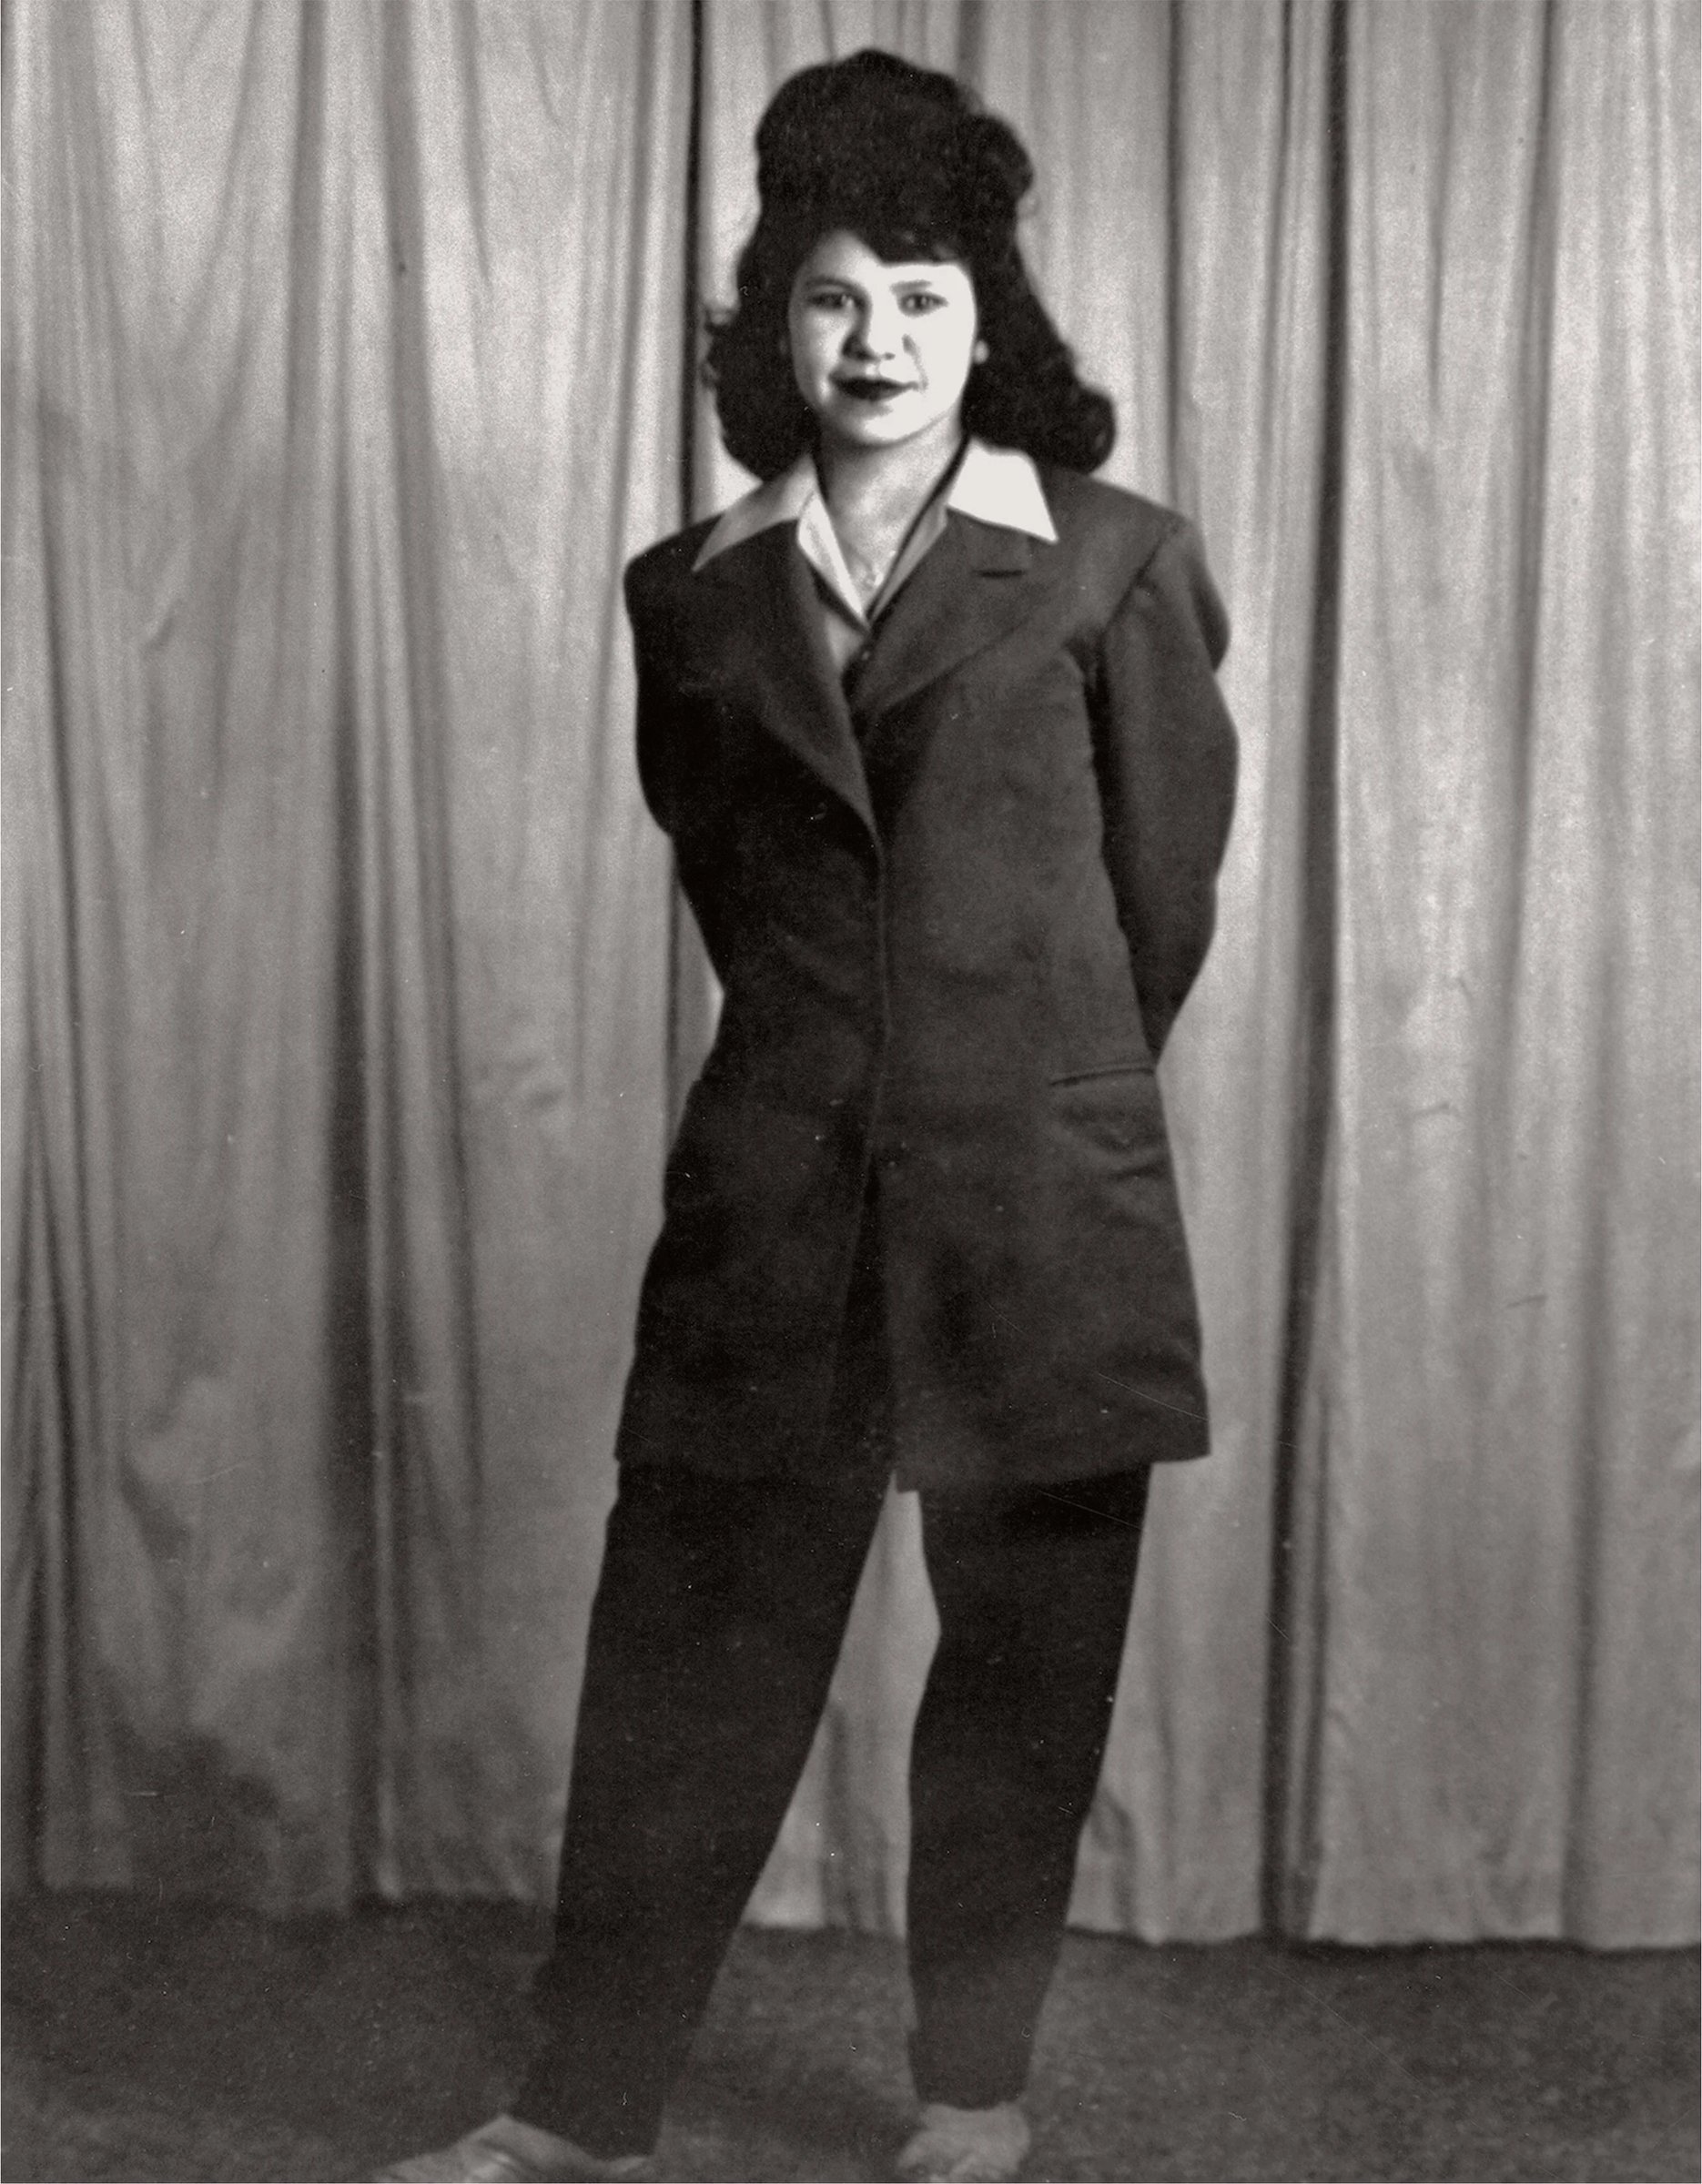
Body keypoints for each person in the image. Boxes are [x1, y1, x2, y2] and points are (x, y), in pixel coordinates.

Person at [380, 46, 1237, 2184]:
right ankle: (578, 2113)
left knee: (1021, 1672)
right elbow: (732, 881)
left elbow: (1158, 906)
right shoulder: (689, 588)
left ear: (987, 328)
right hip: (774, 1203)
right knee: (680, 1660)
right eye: (834, 297)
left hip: (1038, 1208)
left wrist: (1010, 1089)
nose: (876, 341)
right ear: (774, 325)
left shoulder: (1113, 564)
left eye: (922, 299)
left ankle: (974, 2093)